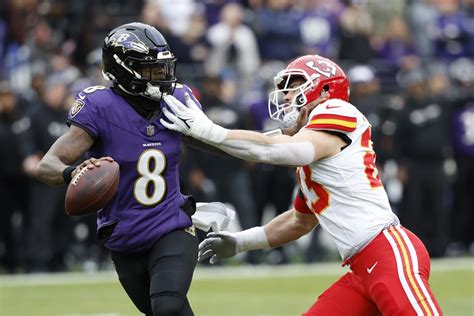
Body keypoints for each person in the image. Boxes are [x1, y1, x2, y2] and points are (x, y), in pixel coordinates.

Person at [160, 54, 443, 315]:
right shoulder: (314, 154)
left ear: (324, 91)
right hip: (361, 268)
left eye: (295, 85)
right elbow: (298, 221)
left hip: (387, 253)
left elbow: (276, 149)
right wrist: (240, 242)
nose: (285, 95)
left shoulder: (338, 109)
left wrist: (211, 130)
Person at [35, 22, 200, 316]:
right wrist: (73, 173)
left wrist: (268, 145)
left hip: (171, 226)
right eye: (152, 70)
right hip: (124, 236)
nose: (162, 76)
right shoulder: (100, 106)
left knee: (168, 307)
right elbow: (46, 166)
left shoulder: (177, 100)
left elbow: (218, 141)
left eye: (163, 68)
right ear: (123, 69)